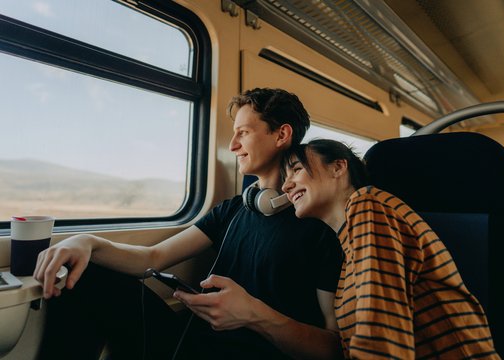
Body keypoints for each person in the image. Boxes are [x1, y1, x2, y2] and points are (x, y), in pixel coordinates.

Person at [34, 89, 344, 360]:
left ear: (281, 135)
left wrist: (254, 315)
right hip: (194, 344)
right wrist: (88, 242)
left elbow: (335, 348)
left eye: (244, 133)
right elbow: (152, 258)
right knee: (89, 274)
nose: (233, 145)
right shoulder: (233, 209)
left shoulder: (318, 225)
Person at [281, 139, 500, 359]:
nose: (285, 186)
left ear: (338, 167)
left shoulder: (367, 205)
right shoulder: (348, 246)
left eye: (297, 169)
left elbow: (380, 334)